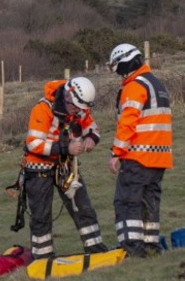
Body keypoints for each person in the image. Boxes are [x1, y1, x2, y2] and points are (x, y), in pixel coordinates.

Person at [23, 77, 108, 259]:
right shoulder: (42, 109)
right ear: (68, 96)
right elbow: (33, 144)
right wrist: (65, 148)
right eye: (76, 107)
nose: (79, 112)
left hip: (66, 165)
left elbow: (93, 128)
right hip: (38, 166)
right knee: (41, 215)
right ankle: (43, 258)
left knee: (83, 207)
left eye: (82, 108)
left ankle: (96, 250)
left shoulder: (80, 107)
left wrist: (91, 138)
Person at [108, 43, 172, 257]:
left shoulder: (134, 86)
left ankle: (132, 248)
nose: (118, 75)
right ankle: (150, 245)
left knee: (128, 202)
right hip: (160, 157)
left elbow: (128, 122)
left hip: (138, 156)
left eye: (117, 69)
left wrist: (116, 153)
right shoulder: (157, 84)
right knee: (150, 201)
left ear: (124, 64)